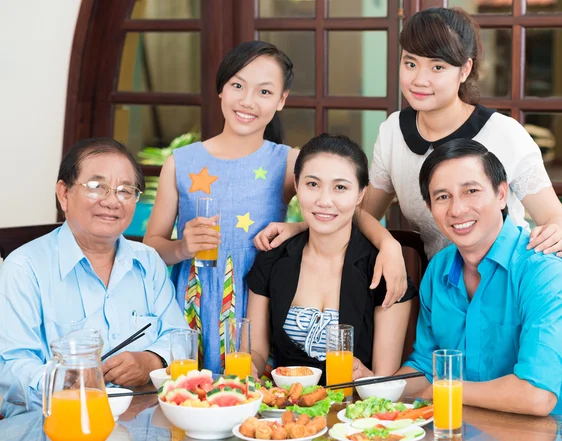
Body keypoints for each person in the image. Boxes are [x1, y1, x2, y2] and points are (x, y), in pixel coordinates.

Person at [143, 41, 408, 373]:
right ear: (221, 90)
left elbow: (339, 211)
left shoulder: (287, 162)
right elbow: (151, 249)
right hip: (195, 304)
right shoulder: (181, 162)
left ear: (281, 100)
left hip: (262, 306)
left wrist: (389, 244)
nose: (248, 101)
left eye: (265, 92)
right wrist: (182, 247)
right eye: (237, 85)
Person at [254, 7, 562, 262]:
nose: (419, 79)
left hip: (506, 284)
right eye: (410, 63)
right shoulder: (393, 131)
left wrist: (556, 234)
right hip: (439, 290)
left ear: (464, 70)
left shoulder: (503, 134)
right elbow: (362, 215)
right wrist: (301, 227)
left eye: (437, 67)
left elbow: (558, 219)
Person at [392, 138, 562, 418]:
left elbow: (537, 395)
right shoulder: (439, 268)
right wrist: (375, 389)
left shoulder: (544, 272)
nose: (457, 209)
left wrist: (444, 390)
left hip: (556, 431)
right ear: (429, 207)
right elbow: (427, 366)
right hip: (467, 428)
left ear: (501, 194)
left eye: (471, 191)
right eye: (442, 197)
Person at [0, 138, 188, 418]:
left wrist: (151, 360)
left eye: (126, 190)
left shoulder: (148, 261)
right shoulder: (24, 268)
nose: (112, 201)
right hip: (58, 424)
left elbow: (180, 337)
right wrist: (71, 381)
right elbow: (10, 369)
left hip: (142, 422)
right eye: (97, 187)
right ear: (64, 194)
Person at [246, 134, 417, 380]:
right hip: (284, 408)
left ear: (360, 195)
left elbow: (383, 381)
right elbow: (255, 350)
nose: (324, 201)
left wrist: (365, 375)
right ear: (296, 185)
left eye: (340, 187)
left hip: (352, 409)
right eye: (312, 184)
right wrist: (249, 368)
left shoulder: (384, 270)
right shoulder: (273, 258)